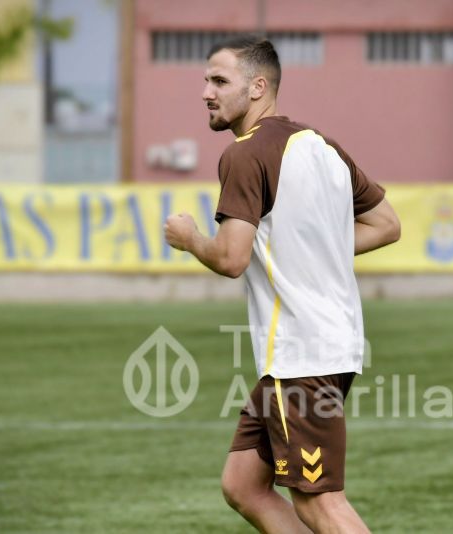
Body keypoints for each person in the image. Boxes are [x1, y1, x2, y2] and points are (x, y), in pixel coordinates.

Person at [164, 35, 400, 534]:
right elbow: (385, 224)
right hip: (324, 346)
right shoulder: (321, 145)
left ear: (258, 87)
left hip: (303, 354)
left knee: (319, 502)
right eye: (205, 80)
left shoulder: (245, 155)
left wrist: (189, 239)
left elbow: (230, 257)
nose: (206, 91)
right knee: (244, 484)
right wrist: (310, 249)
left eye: (219, 81)